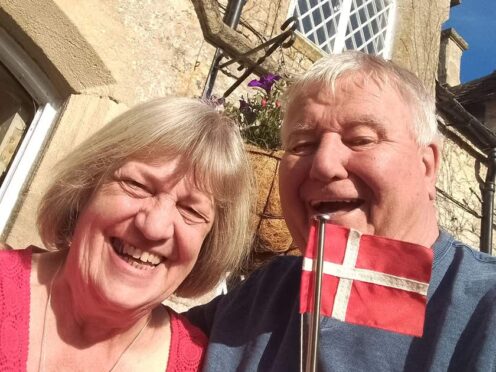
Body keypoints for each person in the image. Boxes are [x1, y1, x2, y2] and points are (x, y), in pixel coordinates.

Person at [186, 51, 496, 371]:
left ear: (427, 165)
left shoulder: (486, 307)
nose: (323, 164)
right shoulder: (263, 294)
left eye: (361, 139)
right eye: (301, 145)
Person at [0, 96, 253, 371]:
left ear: (208, 245)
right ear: (87, 188)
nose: (153, 226)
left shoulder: (200, 366)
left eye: (191, 211)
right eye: (137, 185)